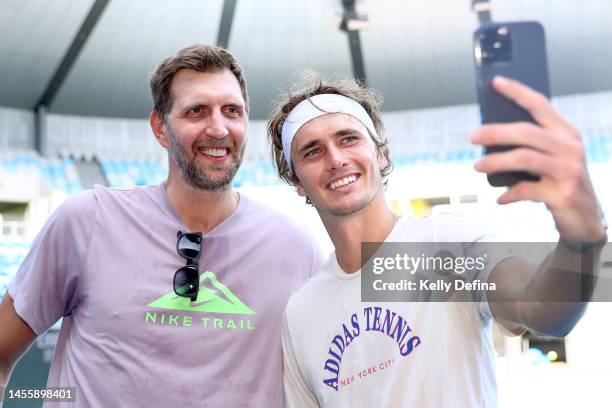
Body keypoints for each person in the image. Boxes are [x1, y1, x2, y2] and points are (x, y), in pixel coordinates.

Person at [0, 45, 324, 407]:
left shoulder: (295, 248)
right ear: (160, 128)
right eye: (196, 111)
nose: (218, 128)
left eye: (232, 111)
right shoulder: (87, 221)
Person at [267, 74, 607, 407]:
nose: (336, 160)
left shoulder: (446, 244)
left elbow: (542, 309)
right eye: (312, 151)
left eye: (348, 139)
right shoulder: (301, 312)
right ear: (297, 182)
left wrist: (582, 242)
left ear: (380, 154)